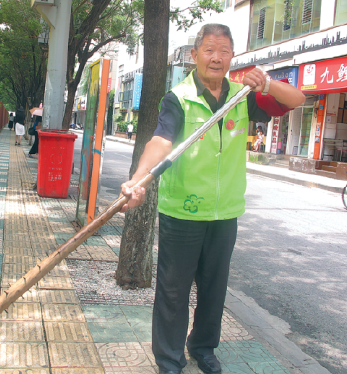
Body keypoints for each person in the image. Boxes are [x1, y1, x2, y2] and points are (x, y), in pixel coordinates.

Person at [120, 24, 305, 374]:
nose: (216, 57)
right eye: (208, 49)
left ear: (232, 56)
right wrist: (139, 178)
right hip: (183, 212)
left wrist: (265, 82)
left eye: (223, 50)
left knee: (213, 290)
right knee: (173, 293)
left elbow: (296, 100)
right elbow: (161, 141)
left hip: (224, 214)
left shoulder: (243, 95)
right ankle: (169, 359)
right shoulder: (179, 96)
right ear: (195, 55)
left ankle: (202, 347)